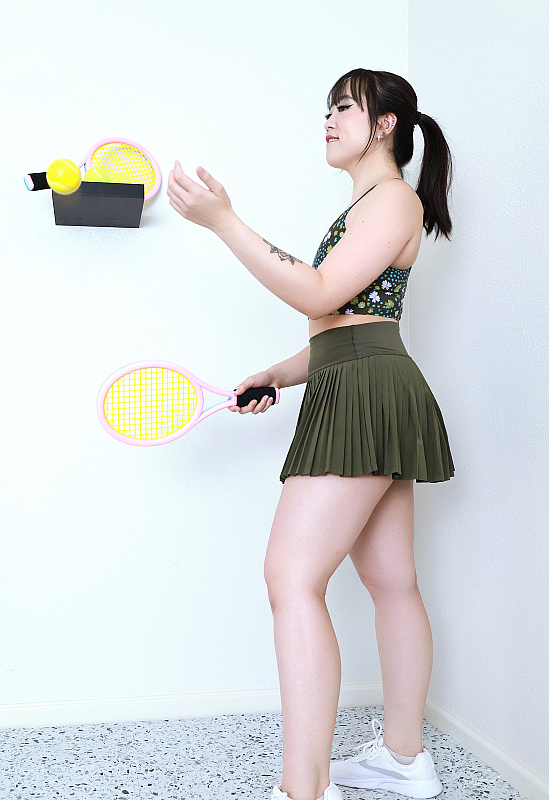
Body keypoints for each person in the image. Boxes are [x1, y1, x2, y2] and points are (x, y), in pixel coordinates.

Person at [167, 67, 454, 800]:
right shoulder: (370, 205)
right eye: (327, 109)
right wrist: (277, 372)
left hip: (364, 389)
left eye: (345, 108)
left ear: (386, 124)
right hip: (363, 379)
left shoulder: (392, 200)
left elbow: (321, 293)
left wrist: (225, 221)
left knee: (291, 578)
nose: (329, 120)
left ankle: (305, 789)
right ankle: (403, 760)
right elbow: (347, 325)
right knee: (391, 581)